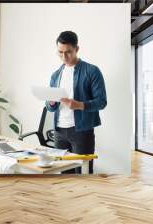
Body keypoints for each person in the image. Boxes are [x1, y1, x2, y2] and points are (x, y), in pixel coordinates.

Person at [46, 31, 107, 174]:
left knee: (83, 173)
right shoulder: (55, 75)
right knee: (63, 173)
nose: (64, 57)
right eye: (60, 52)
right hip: (59, 131)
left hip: (82, 132)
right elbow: (50, 107)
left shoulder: (92, 71)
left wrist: (79, 105)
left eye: (68, 52)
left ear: (77, 49)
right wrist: (52, 103)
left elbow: (102, 102)